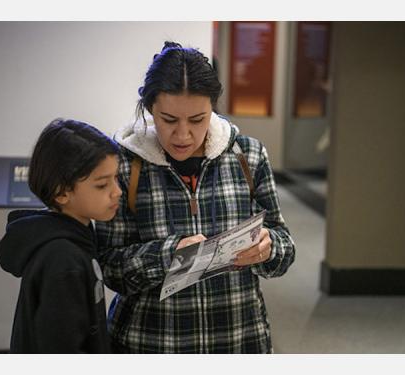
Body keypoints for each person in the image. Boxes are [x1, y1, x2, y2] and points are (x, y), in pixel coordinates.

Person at [96, 41, 296, 353]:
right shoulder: (123, 164)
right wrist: (168, 254)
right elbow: (109, 267)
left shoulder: (249, 155)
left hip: (237, 340)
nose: (183, 135)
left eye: (197, 119)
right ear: (150, 109)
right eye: (169, 120)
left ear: (213, 110)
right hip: (152, 343)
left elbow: (285, 246)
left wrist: (269, 247)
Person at [0, 118, 121, 353]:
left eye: (116, 178)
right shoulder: (63, 259)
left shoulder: (75, 239)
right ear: (62, 192)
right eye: (103, 185)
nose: (117, 191)